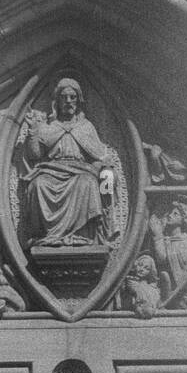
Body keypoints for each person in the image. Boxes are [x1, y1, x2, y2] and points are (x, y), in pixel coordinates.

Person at [21, 78, 115, 247]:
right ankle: (47, 236)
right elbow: (34, 154)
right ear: (57, 101)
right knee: (38, 184)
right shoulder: (48, 126)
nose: (69, 101)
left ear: (78, 101)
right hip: (52, 169)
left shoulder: (86, 126)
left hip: (81, 170)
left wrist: (106, 168)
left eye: (72, 97)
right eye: (64, 97)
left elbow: (99, 155)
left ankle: (84, 235)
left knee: (88, 183)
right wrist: (33, 130)